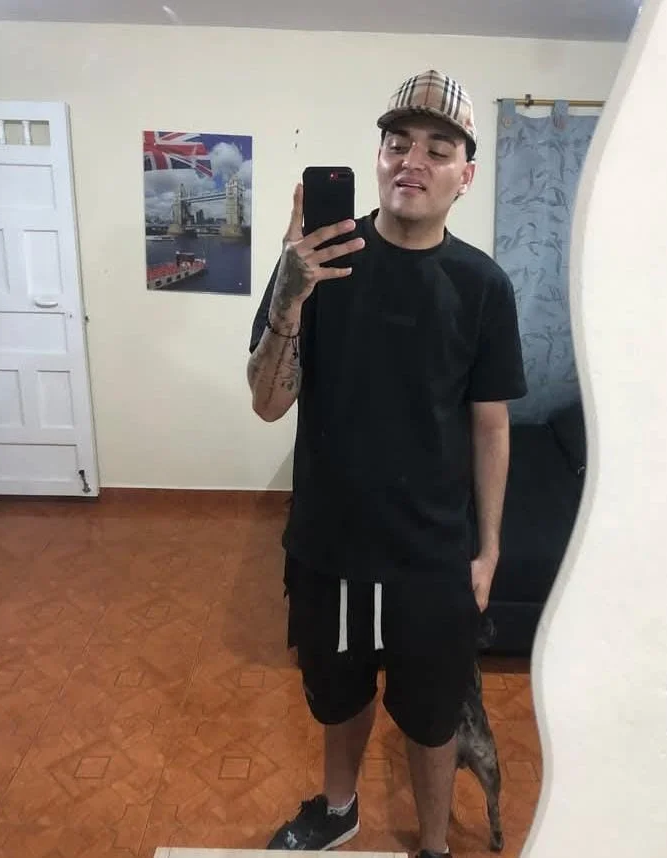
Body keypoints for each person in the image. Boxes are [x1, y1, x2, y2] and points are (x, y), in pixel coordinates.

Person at [247, 69, 527, 858]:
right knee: (337, 698)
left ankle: (433, 845)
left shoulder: (482, 285)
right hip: (330, 543)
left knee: (433, 716)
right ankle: (339, 810)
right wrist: (289, 297)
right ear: (377, 157)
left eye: (438, 148)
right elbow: (267, 403)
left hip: (432, 556)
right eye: (397, 142)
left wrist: (489, 552)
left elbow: (490, 425)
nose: (413, 159)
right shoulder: (315, 263)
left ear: (465, 175)